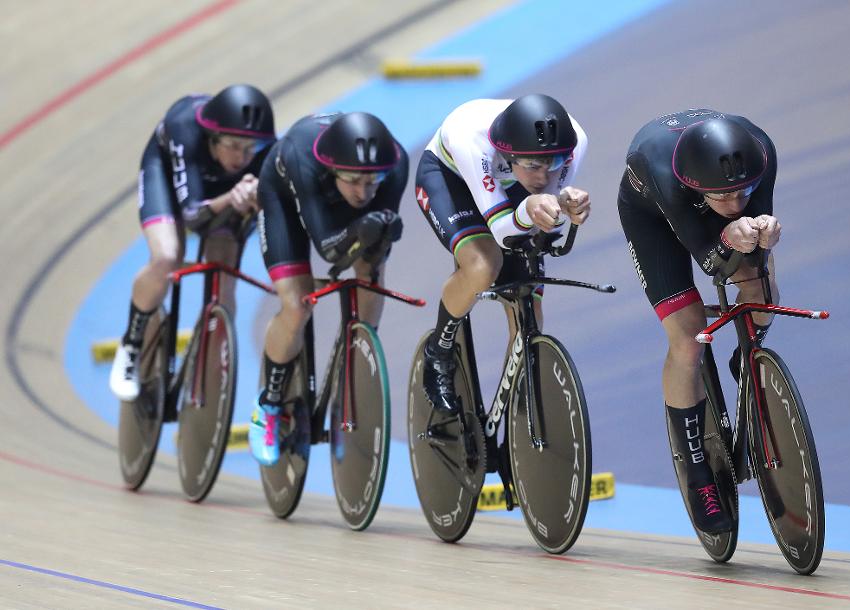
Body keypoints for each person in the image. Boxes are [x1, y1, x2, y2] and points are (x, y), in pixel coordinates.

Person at [617, 109, 782, 534]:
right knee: (689, 338)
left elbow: (753, 243)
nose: (736, 204)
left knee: (760, 287)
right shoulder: (663, 174)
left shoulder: (760, 152)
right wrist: (729, 236)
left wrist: (760, 230)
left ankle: (745, 355)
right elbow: (709, 259)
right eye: (724, 197)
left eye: (743, 192)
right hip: (654, 215)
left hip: (706, 196)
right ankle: (695, 474)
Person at [248, 112, 408, 465]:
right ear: (334, 170)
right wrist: (363, 227)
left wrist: (377, 233)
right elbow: (329, 251)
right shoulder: (301, 156)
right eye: (353, 181)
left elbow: (375, 248)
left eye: (372, 182)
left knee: (371, 269)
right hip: (284, 203)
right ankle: (269, 406)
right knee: (297, 305)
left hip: (339, 212)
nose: (364, 192)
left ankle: (360, 350)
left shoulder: (395, 164)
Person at [415, 94, 590, 413]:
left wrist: (567, 207)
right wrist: (529, 211)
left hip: (510, 185)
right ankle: (438, 351)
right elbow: (502, 233)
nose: (543, 176)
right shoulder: (472, 139)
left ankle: (513, 422)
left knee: (530, 316)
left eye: (553, 164)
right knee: (484, 264)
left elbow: (546, 207)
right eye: (535, 166)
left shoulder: (574, 141)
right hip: (451, 179)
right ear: (507, 155)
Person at [109, 84, 276, 401]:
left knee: (224, 280)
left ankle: (209, 360)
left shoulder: (267, 151)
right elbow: (193, 217)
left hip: (228, 197)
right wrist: (232, 197)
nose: (242, 157)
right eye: (233, 146)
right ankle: (131, 343)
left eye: (249, 148)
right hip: (171, 181)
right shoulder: (184, 128)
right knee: (168, 258)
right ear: (213, 138)